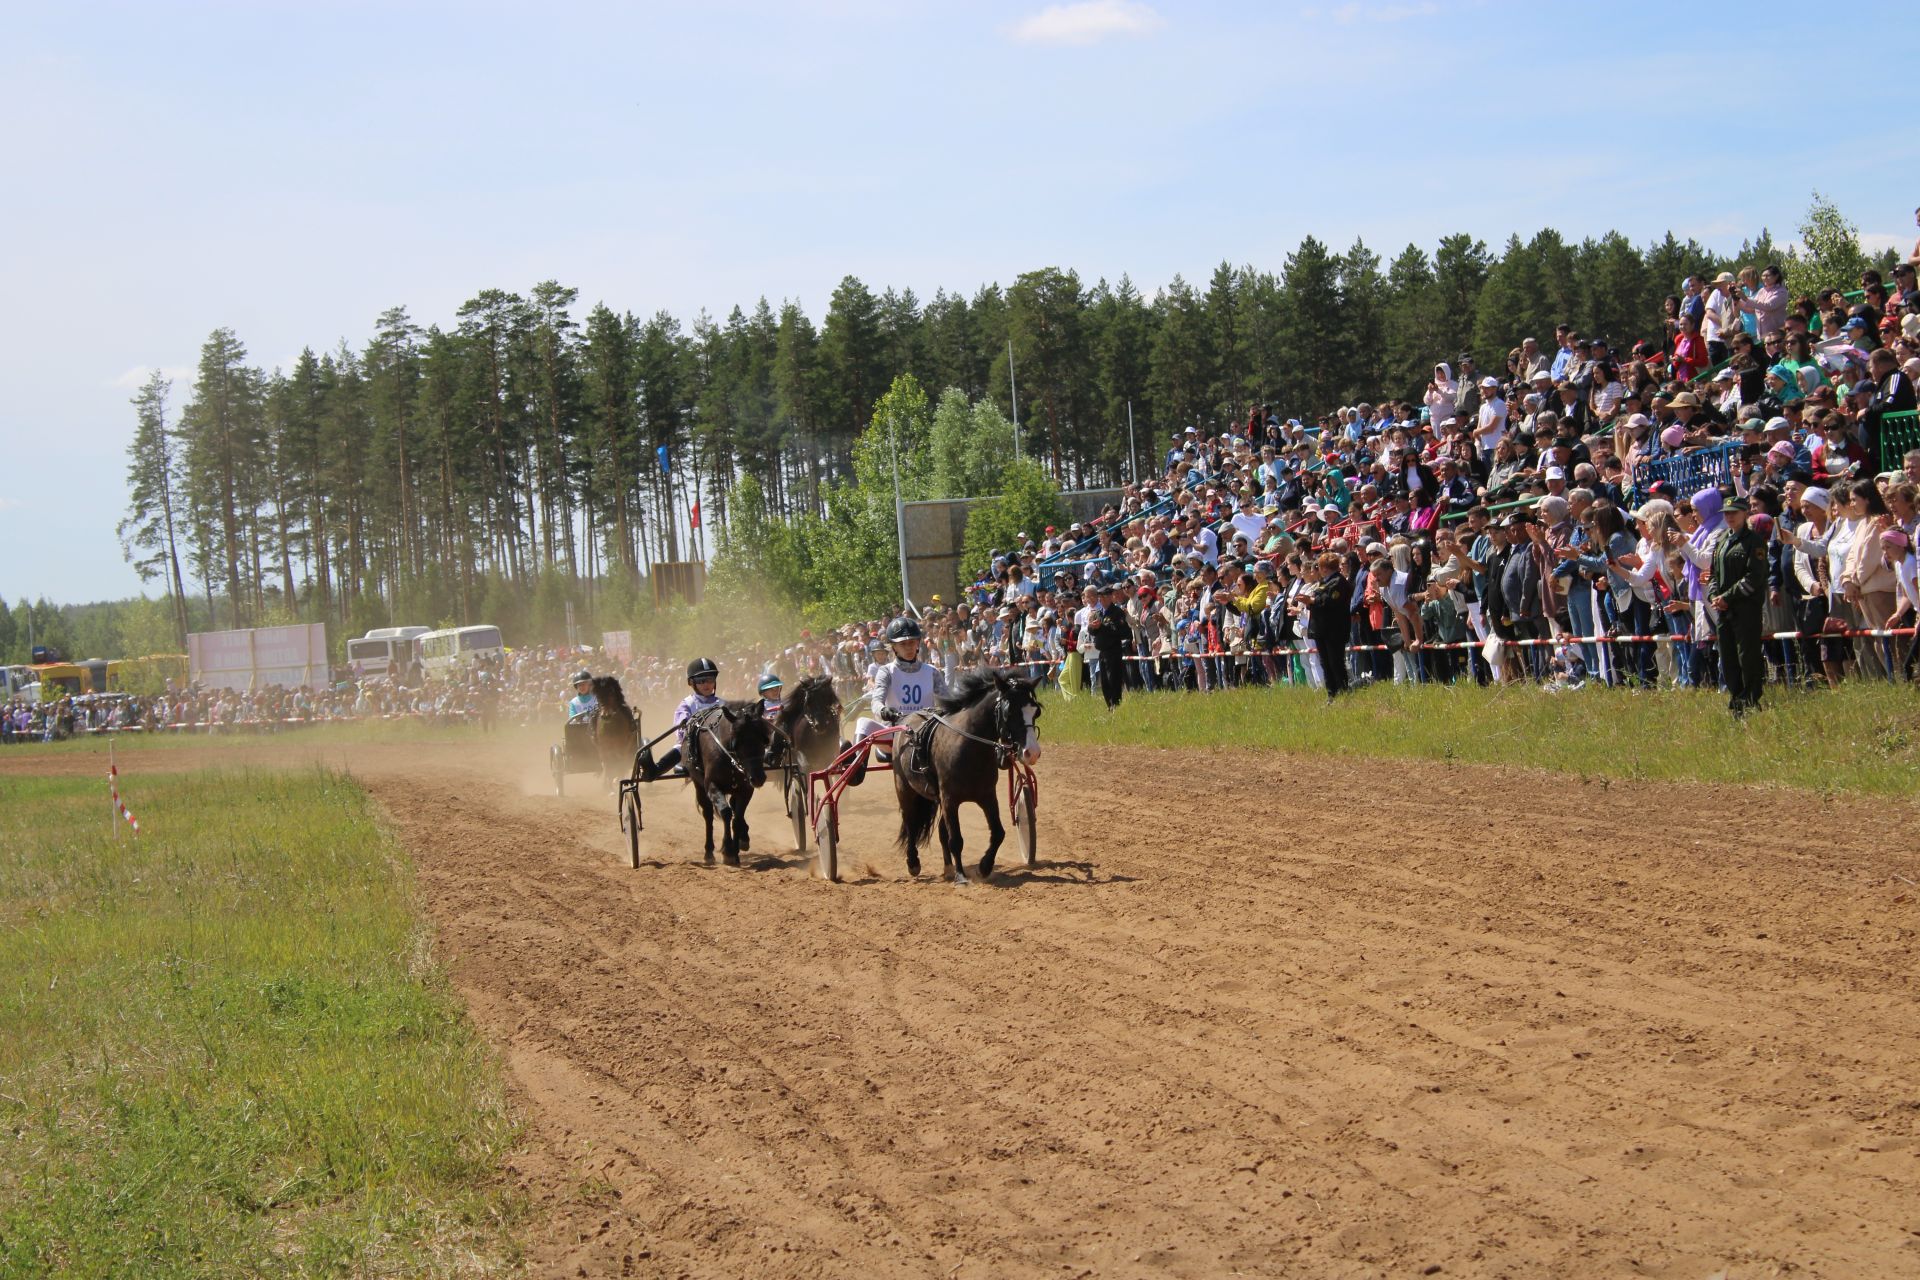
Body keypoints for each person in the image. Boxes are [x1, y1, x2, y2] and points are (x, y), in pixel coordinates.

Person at [846, 617, 947, 785]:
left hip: (926, 734)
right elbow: (876, 701)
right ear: (894, 647)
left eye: (911, 642)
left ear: (918, 643)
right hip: (895, 735)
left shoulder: (932, 672)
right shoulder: (886, 671)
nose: (908, 647)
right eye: (903, 644)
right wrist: (884, 711)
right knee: (863, 722)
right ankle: (857, 768)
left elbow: (948, 700)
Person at [1709, 496, 1770, 716]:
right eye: (1726, 513)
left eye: (1734, 512)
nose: (1729, 517)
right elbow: (1714, 573)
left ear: (1745, 514)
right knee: (1727, 657)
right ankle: (1737, 699)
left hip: (1746, 608)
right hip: (1724, 610)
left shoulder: (1754, 541)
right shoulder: (1723, 539)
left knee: (1748, 656)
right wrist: (1714, 594)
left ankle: (1751, 699)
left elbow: (1755, 576)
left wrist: (1728, 596)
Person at [636, 658, 725, 781]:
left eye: (710, 680)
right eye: (701, 681)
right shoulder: (687, 704)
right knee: (680, 747)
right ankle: (654, 770)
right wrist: (686, 726)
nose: (706, 684)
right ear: (691, 683)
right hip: (692, 747)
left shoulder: (723, 704)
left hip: (720, 746)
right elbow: (680, 731)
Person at [1088, 582, 1133, 709]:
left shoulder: (1117, 612)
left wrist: (1101, 626)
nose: (1100, 600)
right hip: (1102, 652)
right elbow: (1091, 630)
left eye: (1103, 597)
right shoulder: (1098, 613)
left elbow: (1119, 631)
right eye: (1099, 597)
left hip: (1114, 651)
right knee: (1105, 682)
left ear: (1109, 597)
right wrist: (1093, 626)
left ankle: (1116, 705)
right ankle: (1109, 706)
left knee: (1113, 680)